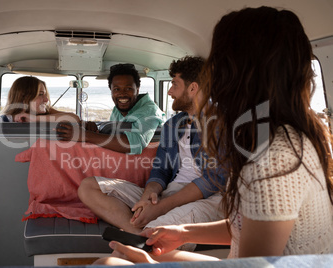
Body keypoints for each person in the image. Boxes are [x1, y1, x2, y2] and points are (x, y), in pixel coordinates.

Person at [93, 6, 333, 265]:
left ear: (240, 72)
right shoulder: (283, 136)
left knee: (113, 262)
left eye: (219, 63)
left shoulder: (274, 157)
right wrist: (182, 232)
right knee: (130, 253)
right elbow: (247, 226)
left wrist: (149, 263)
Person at [78, 56, 226, 238]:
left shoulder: (221, 122)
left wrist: (161, 207)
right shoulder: (173, 125)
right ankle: (134, 232)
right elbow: (161, 169)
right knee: (89, 187)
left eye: (174, 85)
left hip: (209, 199)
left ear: (193, 88)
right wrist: (148, 195)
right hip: (171, 192)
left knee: (153, 236)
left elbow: (214, 180)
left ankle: (141, 237)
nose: (170, 92)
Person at [56, 63, 165, 154]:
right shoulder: (118, 110)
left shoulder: (150, 111)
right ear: (111, 90)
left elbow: (136, 143)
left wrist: (85, 135)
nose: (122, 94)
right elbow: (115, 134)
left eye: (128, 88)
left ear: (137, 89)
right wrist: (96, 130)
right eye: (117, 89)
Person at [0, 76, 79, 123]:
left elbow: (75, 118)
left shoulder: (47, 113)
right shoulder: (2, 122)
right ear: (23, 97)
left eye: (45, 95)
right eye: (40, 94)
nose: (46, 100)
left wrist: (34, 119)